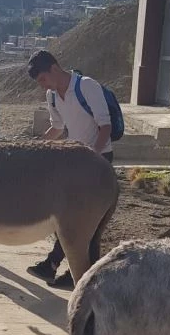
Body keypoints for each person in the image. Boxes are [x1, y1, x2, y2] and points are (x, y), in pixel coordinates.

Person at [24, 50, 114, 289]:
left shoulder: (87, 87)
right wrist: (35, 148)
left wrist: (92, 156)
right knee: (74, 221)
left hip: (97, 162)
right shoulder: (52, 96)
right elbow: (57, 128)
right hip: (74, 164)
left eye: (43, 79)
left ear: (54, 68)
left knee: (85, 224)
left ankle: (66, 271)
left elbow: (105, 125)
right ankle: (74, 276)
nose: (43, 85)